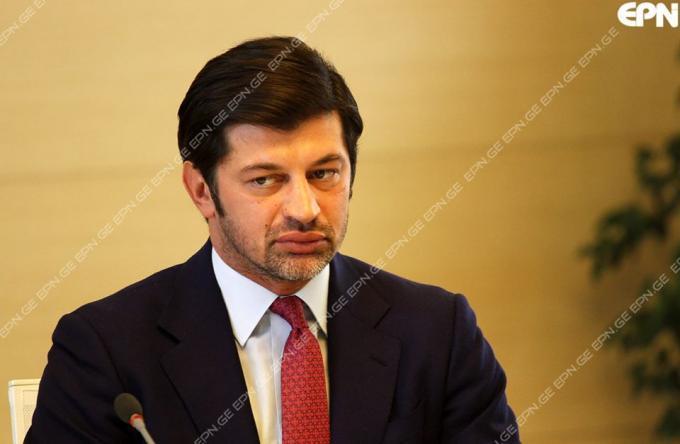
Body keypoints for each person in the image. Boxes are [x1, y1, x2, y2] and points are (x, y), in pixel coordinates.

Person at [26, 36, 520, 444]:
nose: (304, 209)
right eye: (265, 180)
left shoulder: (438, 332)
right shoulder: (107, 350)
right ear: (201, 190)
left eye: (324, 173)